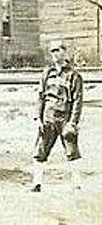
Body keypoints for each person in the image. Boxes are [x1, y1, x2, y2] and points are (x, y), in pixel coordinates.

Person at [31, 40, 84, 192]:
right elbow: (40, 96)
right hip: (48, 117)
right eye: (52, 51)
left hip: (65, 118)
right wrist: (38, 118)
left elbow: (77, 101)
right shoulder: (47, 73)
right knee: (40, 150)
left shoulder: (73, 75)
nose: (54, 54)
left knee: (71, 150)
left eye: (57, 50)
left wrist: (72, 123)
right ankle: (37, 184)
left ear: (64, 52)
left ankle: (76, 184)